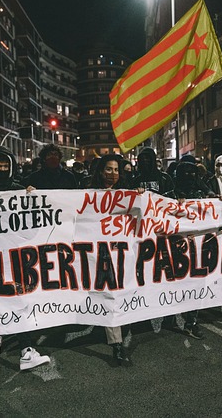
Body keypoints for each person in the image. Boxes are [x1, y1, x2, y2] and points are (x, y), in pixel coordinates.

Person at [0, 146, 51, 371]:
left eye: (5, 166)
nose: (1, 169)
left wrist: (32, 198)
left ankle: (26, 349)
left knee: (20, 299)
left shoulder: (20, 190)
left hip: (16, 255)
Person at [87, 154, 135, 364]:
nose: (113, 174)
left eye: (116, 170)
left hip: (123, 252)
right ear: (100, 171)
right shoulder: (88, 194)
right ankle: (116, 344)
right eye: (108, 169)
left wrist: (140, 196)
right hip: (100, 253)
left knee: (121, 293)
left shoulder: (127, 193)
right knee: (110, 293)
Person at [163, 161, 207, 340]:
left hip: (197, 249)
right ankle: (169, 315)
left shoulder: (202, 196)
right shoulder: (169, 196)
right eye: (185, 174)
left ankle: (191, 322)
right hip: (174, 249)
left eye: (193, 174)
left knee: (195, 285)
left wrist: (220, 200)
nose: (190, 177)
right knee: (172, 283)